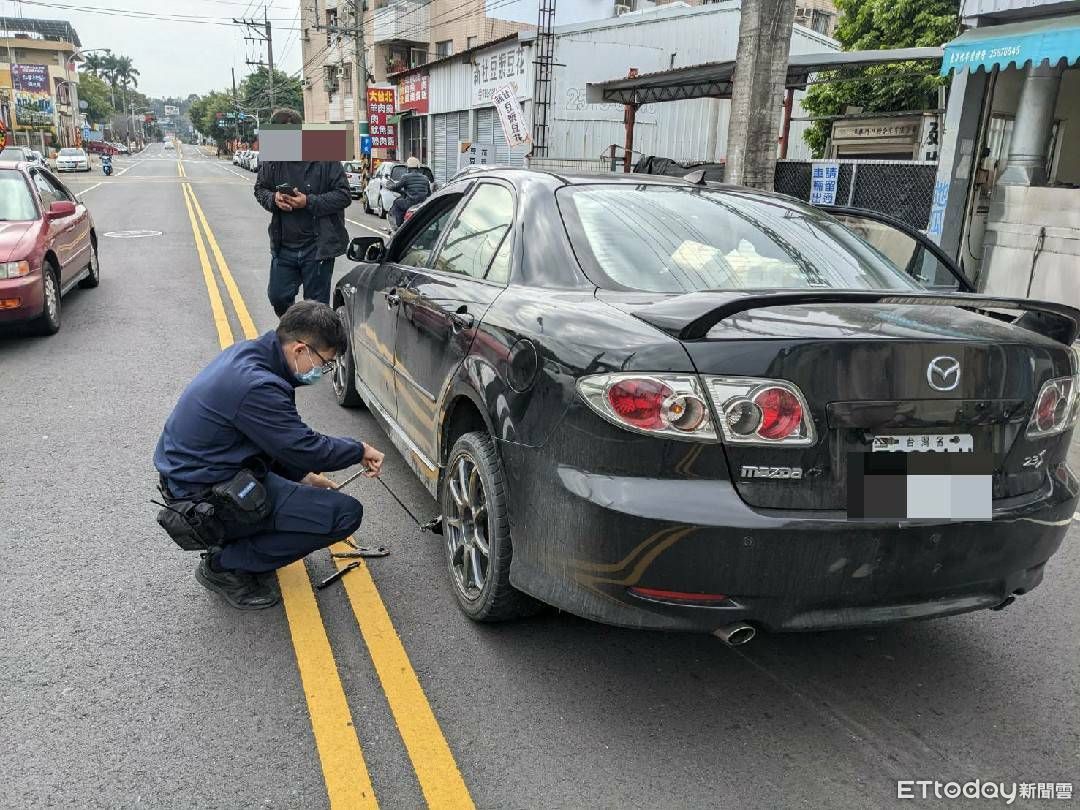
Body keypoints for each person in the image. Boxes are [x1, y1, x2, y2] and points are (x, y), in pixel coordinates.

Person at [154, 302, 385, 610]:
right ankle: (224, 566)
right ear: (300, 350)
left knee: (310, 497)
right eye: (325, 363)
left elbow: (269, 438)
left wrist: (303, 476)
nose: (322, 372)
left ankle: (243, 544)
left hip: (209, 474)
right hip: (203, 496)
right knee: (344, 514)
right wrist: (359, 449)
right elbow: (304, 447)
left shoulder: (253, 355)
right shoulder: (257, 385)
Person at [254, 108, 352, 317]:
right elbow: (260, 189)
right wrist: (274, 199)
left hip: (317, 247)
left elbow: (344, 195)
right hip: (284, 245)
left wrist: (308, 201)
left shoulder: (325, 154)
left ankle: (307, 335)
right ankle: (295, 328)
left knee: (315, 309)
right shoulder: (273, 160)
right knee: (278, 297)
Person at [386, 156, 432, 229]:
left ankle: (399, 227)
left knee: (397, 203)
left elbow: (396, 187)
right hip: (422, 203)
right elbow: (429, 193)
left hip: (410, 203)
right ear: (418, 167)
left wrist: (389, 186)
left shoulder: (405, 177)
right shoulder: (425, 178)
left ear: (408, 167)